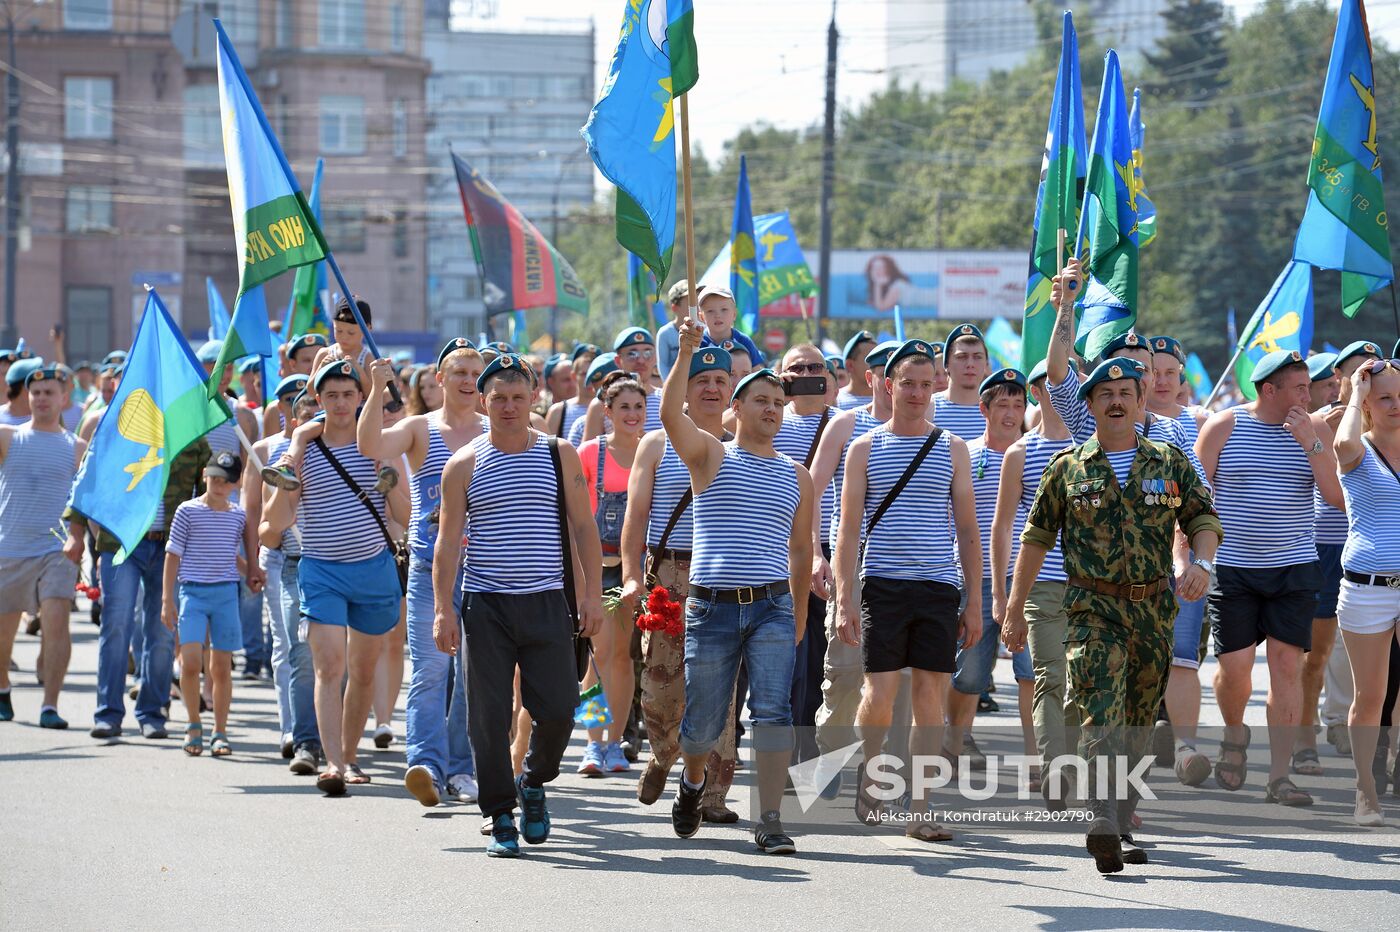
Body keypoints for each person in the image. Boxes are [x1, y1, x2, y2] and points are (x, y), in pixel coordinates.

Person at [1005, 351, 1222, 873]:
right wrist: (1013, 605)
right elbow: (1034, 540)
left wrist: (1203, 562)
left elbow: (1203, 518)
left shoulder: (1169, 462)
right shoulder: (1066, 469)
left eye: (1126, 393)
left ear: (1141, 401)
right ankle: (1100, 816)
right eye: (1106, 394)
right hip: (1091, 607)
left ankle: (1121, 818)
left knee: (1140, 716)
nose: (1117, 401)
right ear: (1091, 405)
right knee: (1100, 707)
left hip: (1153, 611)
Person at [432, 353, 604, 857]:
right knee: (487, 715)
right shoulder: (462, 464)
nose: (508, 406)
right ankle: (500, 812)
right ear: (483, 402)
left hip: (549, 601)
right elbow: (446, 544)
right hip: (486, 605)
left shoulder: (558, 452)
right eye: (499, 398)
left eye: (518, 397)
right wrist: (444, 609)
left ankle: (534, 781)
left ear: (534, 400)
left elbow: (583, 527)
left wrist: (591, 594)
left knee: (559, 709)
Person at [661, 318, 814, 855]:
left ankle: (769, 818)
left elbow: (800, 551)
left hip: (772, 606)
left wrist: (796, 615)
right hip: (713, 609)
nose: (771, 409)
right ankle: (693, 780)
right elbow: (667, 415)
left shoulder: (797, 474)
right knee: (702, 726)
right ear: (737, 410)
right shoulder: (711, 454)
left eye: (778, 402)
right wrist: (684, 353)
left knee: (774, 712)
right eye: (760, 400)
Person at [832, 339, 980, 841]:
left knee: (930, 696)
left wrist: (975, 601)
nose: (916, 393)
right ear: (886, 385)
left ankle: (921, 807)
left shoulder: (953, 447)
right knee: (880, 691)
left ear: (937, 385)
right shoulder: (863, 447)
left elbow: (967, 530)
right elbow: (848, 531)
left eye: (925, 383)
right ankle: (872, 773)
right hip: (883, 586)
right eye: (907, 384)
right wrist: (845, 599)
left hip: (939, 587)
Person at [1196, 348, 1343, 807]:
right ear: (1268, 390)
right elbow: (1195, 500)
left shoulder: (1315, 429)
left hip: (1295, 567)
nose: (1310, 393)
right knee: (1235, 671)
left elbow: (1337, 498)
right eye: (1299, 387)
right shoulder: (1224, 426)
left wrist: (1312, 443)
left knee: (1286, 668)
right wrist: (1191, 559)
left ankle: (1279, 776)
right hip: (1234, 567)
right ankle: (1235, 735)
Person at [264, 360, 404, 797]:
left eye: (347, 394)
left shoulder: (379, 446)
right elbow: (273, 527)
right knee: (329, 667)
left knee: (362, 672)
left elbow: (405, 515)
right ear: (318, 402)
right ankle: (334, 764)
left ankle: (351, 753)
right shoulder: (300, 451)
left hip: (374, 569)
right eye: (331, 396)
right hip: (321, 570)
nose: (340, 403)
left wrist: (390, 480)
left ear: (360, 399)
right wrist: (288, 477)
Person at [358, 339, 486, 806]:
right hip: (431, 566)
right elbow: (370, 443)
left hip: (483, 570)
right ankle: (426, 766)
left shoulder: (497, 430)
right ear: (439, 378)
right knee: (432, 669)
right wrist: (375, 388)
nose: (468, 381)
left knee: (473, 674)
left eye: (475, 373)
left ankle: (462, 767)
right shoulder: (418, 428)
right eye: (459, 373)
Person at [621, 345, 741, 821]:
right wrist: (632, 576)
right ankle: (664, 754)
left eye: (720, 380)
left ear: (732, 388)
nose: (712, 388)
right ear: (683, 391)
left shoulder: (743, 444)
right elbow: (635, 518)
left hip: (725, 575)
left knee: (721, 689)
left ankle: (712, 794)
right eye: (700, 380)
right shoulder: (657, 444)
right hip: (669, 573)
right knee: (661, 687)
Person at [808, 339, 896, 777]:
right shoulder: (846, 426)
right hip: (849, 562)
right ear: (872, 378)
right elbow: (811, 492)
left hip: (905, 569)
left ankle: (877, 770)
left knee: (894, 678)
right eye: (884, 371)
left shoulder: (934, 430)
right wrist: (812, 553)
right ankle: (830, 756)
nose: (892, 380)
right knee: (844, 674)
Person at [994, 358, 1076, 807]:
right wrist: (1003, 594)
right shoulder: (1020, 453)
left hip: (1093, 584)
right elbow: (1004, 526)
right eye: (1045, 384)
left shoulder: (1094, 446)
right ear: (1035, 391)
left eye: (1064, 383)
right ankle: (1054, 769)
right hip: (1041, 583)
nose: (1055, 391)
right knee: (1051, 676)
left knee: (1089, 681)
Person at [950, 368, 1034, 777]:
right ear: (984, 408)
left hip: (1031, 575)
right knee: (970, 672)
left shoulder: (1036, 454)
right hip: (976, 577)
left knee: (1031, 671)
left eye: (1019, 405)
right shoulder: (965, 454)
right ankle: (955, 740)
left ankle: (1039, 758)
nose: (1011, 413)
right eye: (1003, 404)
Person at [1333, 357, 1400, 825]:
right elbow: (1341, 441)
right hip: (1366, 588)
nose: (1397, 405)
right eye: (1386, 398)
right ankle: (1365, 790)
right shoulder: (1358, 451)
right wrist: (1356, 391)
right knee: (1371, 697)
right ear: (1369, 407)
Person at [0, 365, 86, 727]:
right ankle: (2, 687)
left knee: (56, 623)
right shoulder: (7, 437)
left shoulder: (77, 448)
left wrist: (77, 536)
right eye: (35, 393)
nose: (41, 399)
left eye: (49, 393)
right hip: (10, 547)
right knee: (4, 635)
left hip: (56, 550)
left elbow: (84, 502)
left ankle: (50, 705)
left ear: (64, 399)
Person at [163, 452, 264, 757]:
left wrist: (253, 573)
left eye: (225, 481)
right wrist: (167, 599)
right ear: (205, 476)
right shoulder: (187, 511)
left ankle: (219, 730)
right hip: (192, 592)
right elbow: (173, 555)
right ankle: (194, 722)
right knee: (191, 661)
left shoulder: (237, 516)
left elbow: (232, 555)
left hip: (225, 594)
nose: (218, 485)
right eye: (214, 478)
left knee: (221, 667)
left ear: (234, 485)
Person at [242, 377, 319, 766]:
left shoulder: (343, 448)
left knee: (328, 654)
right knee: (289, 647)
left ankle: (324, 732)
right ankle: (294, 729)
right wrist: (252, 558)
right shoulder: (268, 451)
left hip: (333, 561)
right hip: (283, 559)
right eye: (292, 403)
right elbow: (256, 515)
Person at [575, 372, 649, 775]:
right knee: (597, 656)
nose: (633, 414)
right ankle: (592, 741)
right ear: (608, 412)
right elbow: (573, 516)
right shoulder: (589, 453)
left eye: (639, 407)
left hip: (633, 568)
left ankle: (616, 742)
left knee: (623, 657)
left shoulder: (652, 451)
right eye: (624, 407)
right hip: (596, 567)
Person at [771, 342, 839, 759]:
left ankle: (807, 745)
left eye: (817, 366)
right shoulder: (768, 415)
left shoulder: (844, 421)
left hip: (823, 549)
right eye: (797, 368)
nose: (808, 373)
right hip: (770, 546)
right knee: (777, 649)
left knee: (815, 651)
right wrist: (775, 393)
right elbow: (721, 425)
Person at [582, 328, 665, 441]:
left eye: (647, 353)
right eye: (632, 354)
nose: (641, 360)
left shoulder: (666, 400)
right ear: (618, 361)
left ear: (655, 358)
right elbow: (590, 454)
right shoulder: (601, 403)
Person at [933, 325, 991, 440]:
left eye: (977, 357)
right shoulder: (928, 408)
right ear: (946, 365)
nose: (970, 364)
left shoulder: (997, 410)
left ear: (986, 364)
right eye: (961, 357)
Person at [695, 285, 765, 368]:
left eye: (724, 309)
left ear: (734, 314)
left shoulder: (744, 342)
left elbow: (756, 371)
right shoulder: (697, 343)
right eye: (710, 311)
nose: (717, 315)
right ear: (701, 317)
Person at [549, 344, 603, 440]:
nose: (590, 379)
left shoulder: (613, 410)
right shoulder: (558, 411)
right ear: (574, 376)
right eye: (584, 374)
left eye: (596, 374)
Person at [655, 281, 691, 378]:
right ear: (675, 308)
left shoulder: (704, 330)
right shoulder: (665, 334)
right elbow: (663, 365)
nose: (695, 306)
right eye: (690, 303)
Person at [835, 331, 877, 411]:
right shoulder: (835, 401)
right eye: (870, 359)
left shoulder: (889, 401)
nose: (878, 364)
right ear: (850, 365)